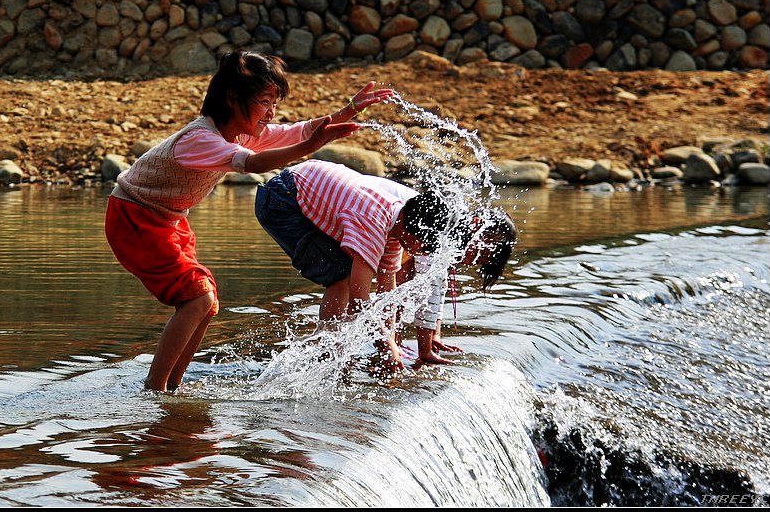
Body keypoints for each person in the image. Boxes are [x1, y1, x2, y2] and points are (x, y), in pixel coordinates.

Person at [105, 50, 394, 392]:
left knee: (205, 303)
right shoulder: (199, 139)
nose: (271, 112)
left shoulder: (240, 132)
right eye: (264, 101)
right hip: (135, 217)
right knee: (198, 297)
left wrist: (349, 110)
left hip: (168, 220)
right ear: (232, 98)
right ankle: (155, 389)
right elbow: (253, 164)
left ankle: (173, 387)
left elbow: (297, 131)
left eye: (274, 102)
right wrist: (312, 145)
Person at [254, 159, 452, 370]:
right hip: (281, 199)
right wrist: (387, 346)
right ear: (415, 232)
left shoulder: (395, 226)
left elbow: (387, 290)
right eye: (425, 242)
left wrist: (392, 342)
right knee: (342, 276)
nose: (424, 249)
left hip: (299, 187)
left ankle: (335, 352)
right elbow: (359, 301)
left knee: (346, 272)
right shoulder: (374, 225)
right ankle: (329, 354)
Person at [395, 208, 517, 365]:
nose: (474, 262)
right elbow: (428, 294)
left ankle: (394, 340)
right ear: (477, 226)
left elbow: (438, 289)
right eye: (482, 254)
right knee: (398, 292)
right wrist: (425, 352)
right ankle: (392, 341)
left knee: (399, 291)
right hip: (368, 229)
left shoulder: (447, 242)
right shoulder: (437, 234)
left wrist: (434, 336)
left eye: (481, 262)